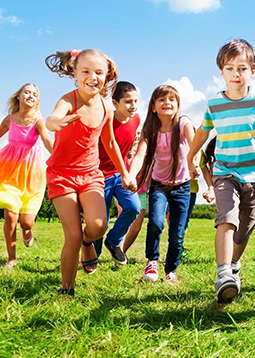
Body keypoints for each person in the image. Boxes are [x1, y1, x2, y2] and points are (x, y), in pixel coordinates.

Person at [188, 38, 255, 303]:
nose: (236, 74)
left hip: (254, 175)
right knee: (227, 218)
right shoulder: (214, 105)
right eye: (229, 68)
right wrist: (191, 155)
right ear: (221, 71)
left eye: (242, 68)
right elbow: (202, 132)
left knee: (244, 229)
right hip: (224, 172)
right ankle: (223, 274)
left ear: (252, 70)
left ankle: (234, 264)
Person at [45, 49, 135, 296]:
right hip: (62, 175)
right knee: (72, 234)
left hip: (90, 175)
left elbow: (110, 144)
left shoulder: (107, 108)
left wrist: (125, 173)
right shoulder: (68, 101)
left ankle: (89, 242)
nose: (92, 77)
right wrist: (55, 122)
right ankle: (67, 289)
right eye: (85, 71)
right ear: (74, 73)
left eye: (98, 72)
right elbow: (52, 119)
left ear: (107, 76)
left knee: (98, 225)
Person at [129, 85, 195, 284]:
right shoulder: (150, 129)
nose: (167, 103)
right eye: (162, 100)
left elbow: (195, 146)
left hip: (182, 187)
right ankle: (152, 261)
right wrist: (131, 175)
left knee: (177, 233)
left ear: (178, 105)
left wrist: (194, 165)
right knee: (156, 223)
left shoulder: (184, 123)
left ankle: (171, 271)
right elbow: (140, 154)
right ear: (154, 107)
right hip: (158, 186)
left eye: (172, 99)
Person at [0, 84, 53, 268]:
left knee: (26, 221)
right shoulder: (10, 119)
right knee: (11, 216)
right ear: (19, 96)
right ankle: (11, 258)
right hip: (10, 172)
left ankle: (27, 230)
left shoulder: (39, 121)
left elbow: (47, 140)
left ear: (37, 100)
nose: (31, 95)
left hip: (33, 175)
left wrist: (59, 158)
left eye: (35, 94)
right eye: (27, 92)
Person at [94, 81, 141, 265]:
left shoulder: (136, 119)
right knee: (100, 221)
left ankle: (113, 241)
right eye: (128, 102)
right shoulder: (106, 120)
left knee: (133, 207)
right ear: (115, 103)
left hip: (120, 174)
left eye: (136, 101)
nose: (133, 106)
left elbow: (127, 145)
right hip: (99, 176)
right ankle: (93, 257)